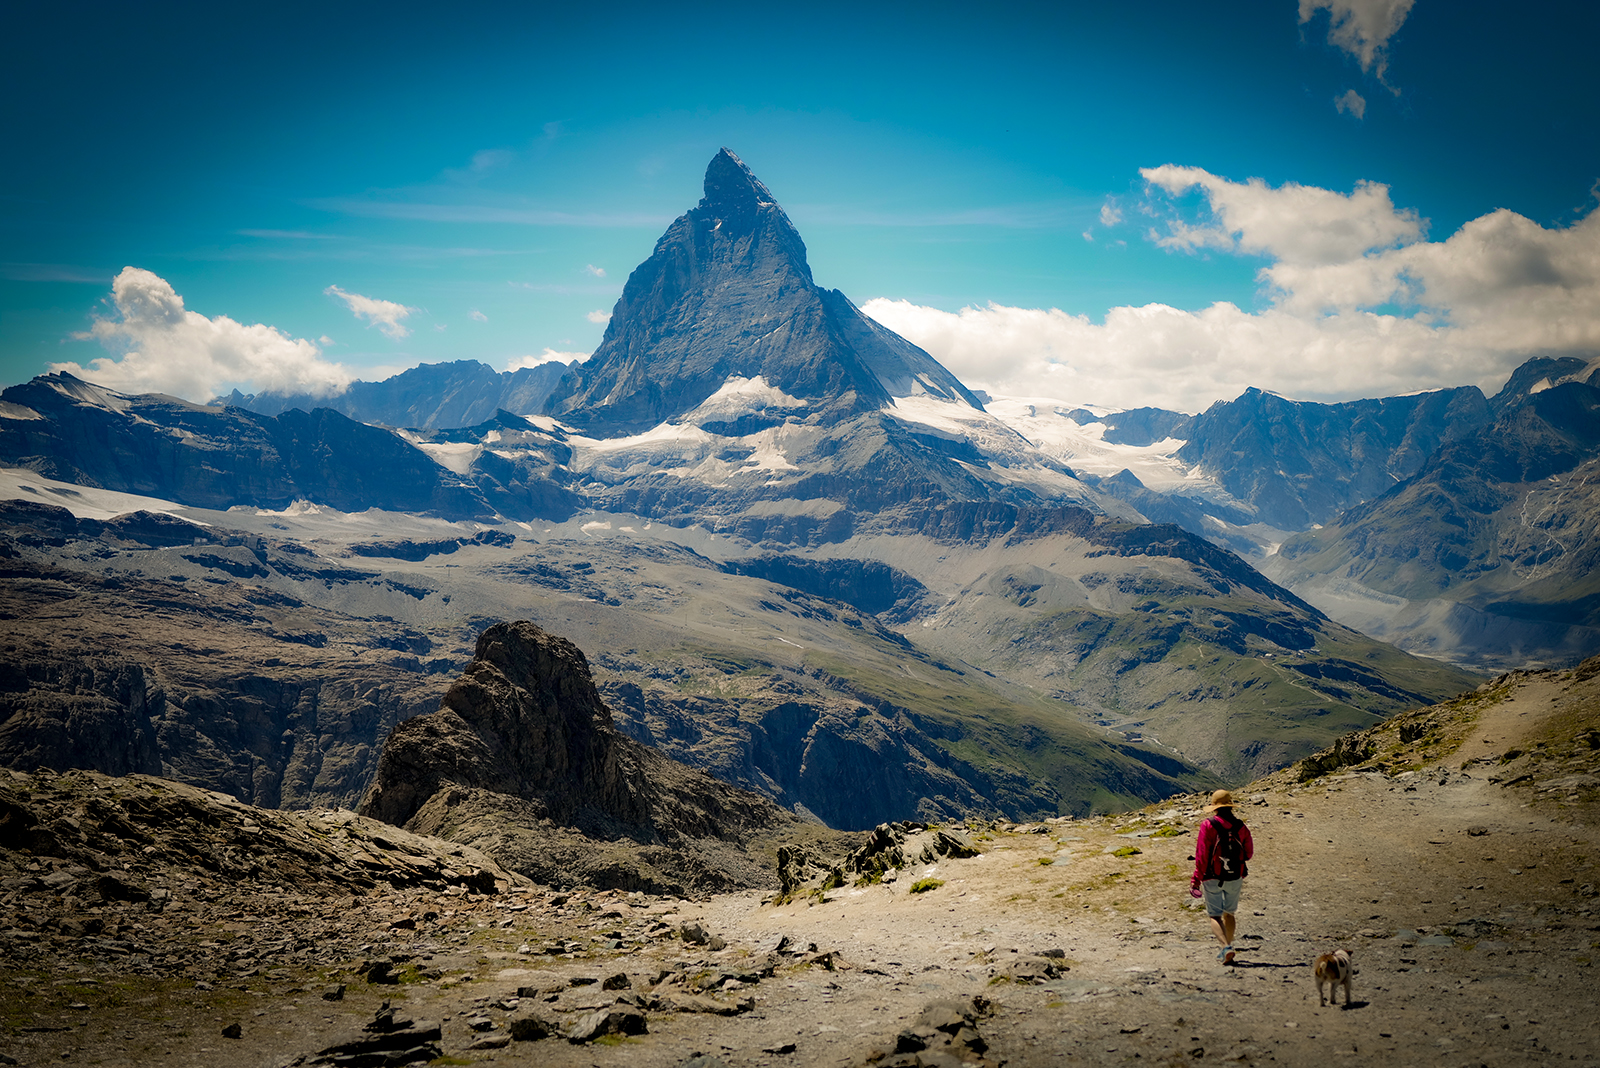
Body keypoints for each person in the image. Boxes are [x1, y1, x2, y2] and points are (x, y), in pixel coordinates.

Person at [1190, 788, 1254, 964]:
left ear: (1215, 807)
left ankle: (1225, 947)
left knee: (1215, 915)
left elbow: (1202, 856)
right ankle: (1228, 946)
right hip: (1235, 875)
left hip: (1212, 876)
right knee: (1229, 913)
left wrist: (1196, 880)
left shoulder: (1208, 825)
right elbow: (1248, 854)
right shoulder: (1241, 827)